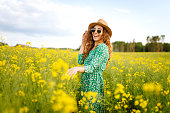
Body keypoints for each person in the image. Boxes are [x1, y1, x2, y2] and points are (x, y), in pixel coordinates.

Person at [66, 19, 112, 112]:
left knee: (92, 108)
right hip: (85, 81)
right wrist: (83, 43)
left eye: (99, 30)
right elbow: (80, 60)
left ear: (104, 33)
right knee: (84, 108)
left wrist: (77, 69)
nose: (95, 32)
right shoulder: (92, 47)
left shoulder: (102, 48)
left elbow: (92, 67)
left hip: (93, 83)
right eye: (93, 30)